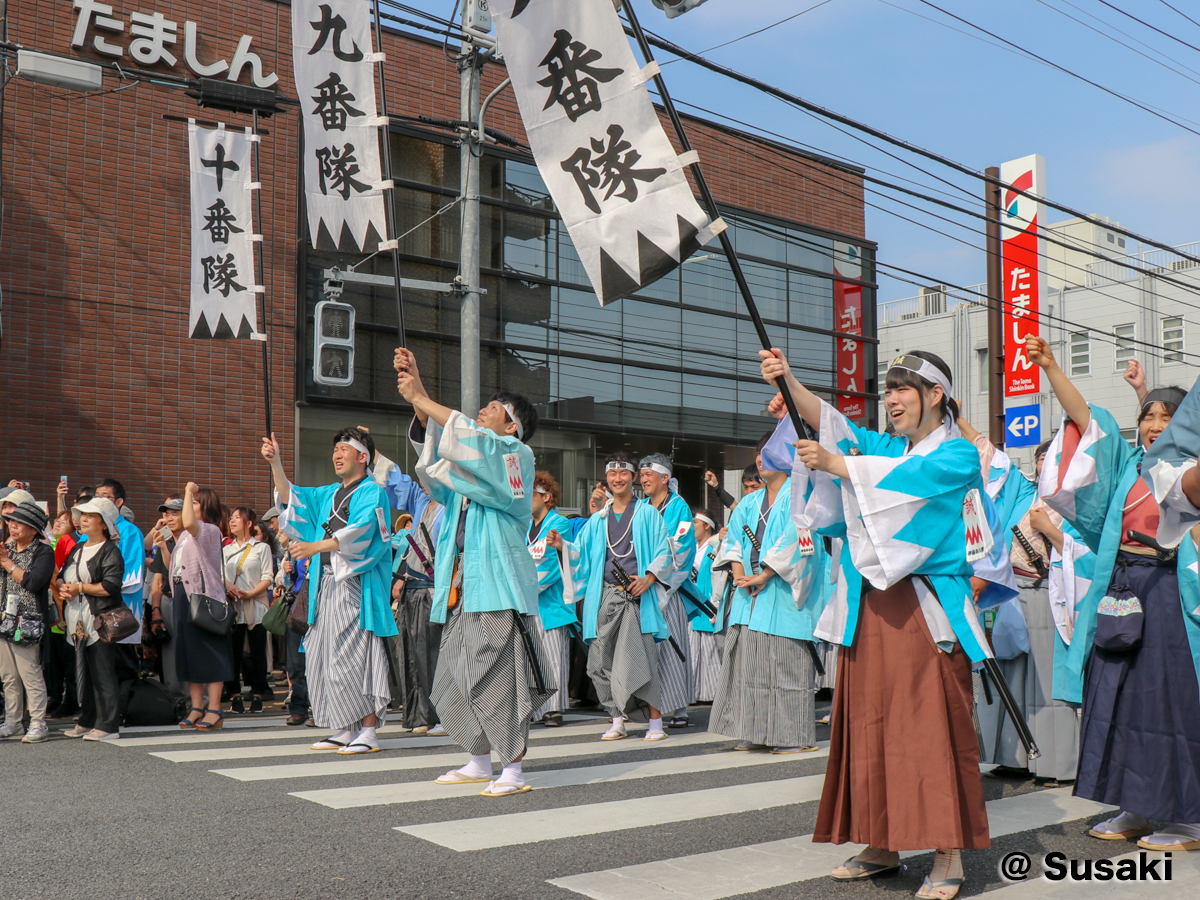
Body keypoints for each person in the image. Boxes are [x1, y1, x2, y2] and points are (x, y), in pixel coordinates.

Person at [763, 347, 1016, 900]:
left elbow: (900, 475)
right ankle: (882, 841)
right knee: (870, 727)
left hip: (926, 609)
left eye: (905, 389)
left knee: (932, 734)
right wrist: (792, 378)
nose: (893, 400)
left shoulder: (958, 456)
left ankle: (947, 853)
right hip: (870, 608)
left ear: (935, 396)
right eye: (890, 389)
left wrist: (836, 465)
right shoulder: (886, 448)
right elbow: (835, 427)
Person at [1030, 335, 1200, 851]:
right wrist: (1053, 369)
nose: (1154, 426)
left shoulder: (1188, 473)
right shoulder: (1127, 466)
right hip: (1123, 591)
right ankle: (1137, 806)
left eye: (1167, 417)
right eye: (1148, 417)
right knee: (1121, 703)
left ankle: (1189, 818)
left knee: (1172, 707)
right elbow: (1089, 421)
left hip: (1171, 594)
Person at [395, 347, 551, 795]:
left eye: (493, 409)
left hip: (498, 587)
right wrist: (418, 394)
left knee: (499, 677)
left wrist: (423, 398)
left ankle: (513, 769)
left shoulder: (515, 457)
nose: (482, 411)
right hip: (463, 589)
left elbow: (472, 443)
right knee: (456, 673)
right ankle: (479, 760)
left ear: (512, 426)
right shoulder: (475, 477)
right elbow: (434, 472)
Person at [957, 419, 1089, 786]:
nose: (1046, 463)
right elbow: (989, 453)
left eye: (1055, 458)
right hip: (1013, 592)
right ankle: (1013, 757)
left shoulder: (1079, 502)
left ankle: (1056, 764)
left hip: (1053, 592)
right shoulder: (1023, 490)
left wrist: (1050, 531)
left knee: (1048, 682)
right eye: (1042, 457)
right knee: (1011, 676)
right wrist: (956, 418)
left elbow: (1088, 552)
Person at [263, 426, 396, 755]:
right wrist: (276, 463)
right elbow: (292, 499)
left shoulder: (373, 492)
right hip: (326, 585)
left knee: (357, 656)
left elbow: (366, 533)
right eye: (335, 449)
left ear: (363, 457)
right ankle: (347, 726)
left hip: (355, 585)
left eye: (344, 449)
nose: (337, 454)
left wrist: (316, 546)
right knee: (330, 657)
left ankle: (367, 729)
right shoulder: (328, 493)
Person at [710, 425, 829, 754]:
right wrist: (739, 573)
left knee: (787, 668)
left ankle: (794, 736)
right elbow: (734, 542)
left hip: (784, 596)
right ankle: (757, 730)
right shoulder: (750, 503)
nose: (761, 459)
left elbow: (800, 542)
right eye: (759, 453)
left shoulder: (801, 495)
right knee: (751, 668)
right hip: (750, 597)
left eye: (770, 452)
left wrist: (764, 573)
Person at [549, 451, 673, 743]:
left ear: (633, 478)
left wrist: (649, 578)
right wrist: (561, 547)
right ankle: (617, 718)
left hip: (635, 597)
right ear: (607, 478)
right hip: (604, 597)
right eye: (612, 474)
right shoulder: (598, 519)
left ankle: (656, 722)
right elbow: (580, 555)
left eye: (624, 474)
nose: (618, 479)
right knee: (599, 663)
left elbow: (664, 552)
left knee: (642, 659)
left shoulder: (647, 514)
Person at [372, 448, 446, 735]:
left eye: (431, 478)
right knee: (411, 655)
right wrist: (375, 454)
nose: (425, 483)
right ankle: (418, 715)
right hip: (411, 588)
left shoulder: (451, 508)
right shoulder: (421, 502)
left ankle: (441, 716)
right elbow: (398, 483)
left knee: (433, 655)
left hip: (434, 588)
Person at [57, 498, 125, 741]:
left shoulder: (110, 550)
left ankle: (108, 725)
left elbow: (111, 586)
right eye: (82, 514)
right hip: (76, 618)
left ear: (104, 523)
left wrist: (80, 588)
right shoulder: (78, 547)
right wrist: (63, 587)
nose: (83, 518)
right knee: (82, 670)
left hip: (99, 619)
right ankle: (87, 720)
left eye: (90, 515)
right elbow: (62, 576)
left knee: (102, 671)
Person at [638, 453, 695, 728]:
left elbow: (682, 547)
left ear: (664, 478)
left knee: (672, 647)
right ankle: (649, 703)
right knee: (648, 649)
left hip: (667, 587)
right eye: (641, 474)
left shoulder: (679, 506)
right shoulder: (641, 507)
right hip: (643, 585)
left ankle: (679, 706)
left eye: (649, 474)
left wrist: (658, 574)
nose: (643, 478)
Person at [172, 484, 233, 731]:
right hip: (183, 595)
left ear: (205, 506)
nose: (189, 506)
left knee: (209, 652)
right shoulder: (187, 535)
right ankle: (197, 707)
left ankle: (215, 708)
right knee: (189, 653)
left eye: (195, 503)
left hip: (202, 596)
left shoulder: (208, 530)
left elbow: (187, 521)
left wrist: (188, 491)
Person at [0, 501, 55, 742]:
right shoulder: (7, 547)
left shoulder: (43, 551)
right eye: (11, 521)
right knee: (8, 675)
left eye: (20, 523)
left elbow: (34, 583)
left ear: (34, 529)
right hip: (4, 617)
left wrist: (7, 564)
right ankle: (13, 722)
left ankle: (38, 723)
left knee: (29, 672)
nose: (13, 526)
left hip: (27, 621)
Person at [527, 471, 574, 728]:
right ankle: (537, 707)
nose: (527, 499)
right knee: (533, 656)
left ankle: (553, 708)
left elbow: (553, 565)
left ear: (548, 497)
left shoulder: (560, 524)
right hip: (529, 601)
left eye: (532, 493)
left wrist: (525, 588)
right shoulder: (526, 526)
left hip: (551, 602)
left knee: (553, 656)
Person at [223, 507, 275, 714]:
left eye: (237, 518)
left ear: (248, 523)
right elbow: (218, 574)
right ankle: (235, 695)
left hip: (257, 605)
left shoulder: (261, 548)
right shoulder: (225, 549)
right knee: (233, 654)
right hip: (234, 605)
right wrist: (229, 586)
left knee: (257, 653)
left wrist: (251, 593)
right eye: (231, 518)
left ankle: (258, 695)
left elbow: (268, 577)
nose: (232, 521)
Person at [94, 479, 145, 673]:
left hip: (119, 611)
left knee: (121, 667)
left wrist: (95, 587)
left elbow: (132, 575)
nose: (99, 501)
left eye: (105, 497)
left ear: (119, 502)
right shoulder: (90, 532)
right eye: (97, 496)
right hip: (93, 607)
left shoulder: (130, 531)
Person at [148, 496, 185, 696]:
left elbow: (178, 572)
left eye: (175, 513)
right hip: (169, 600)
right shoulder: (166, 540)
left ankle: (194, 700)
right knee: (170, 653)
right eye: (167, 514)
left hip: (190, 600)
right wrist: (156, 611)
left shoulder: (194, 539)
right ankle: (175, 698)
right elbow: (158, 580)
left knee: (189, 651)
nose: (169, 518)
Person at [274, 535, 310, 726]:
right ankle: (298, 708)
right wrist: (288, 572)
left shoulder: (322, 543)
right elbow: (289, 580)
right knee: (296, 663)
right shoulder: (295, 547)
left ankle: (320, 707)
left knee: (318, 662)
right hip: (297, 607)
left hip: (321, 605)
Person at [688, 510, 722, 704]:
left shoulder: (715, 546)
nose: (692, 526)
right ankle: (694, 692)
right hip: (692, 602)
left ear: (707, 525)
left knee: (709, 650)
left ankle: (711, 692)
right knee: (693, 650)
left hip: (707, 601)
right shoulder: (691, 546)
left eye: (695, 522)